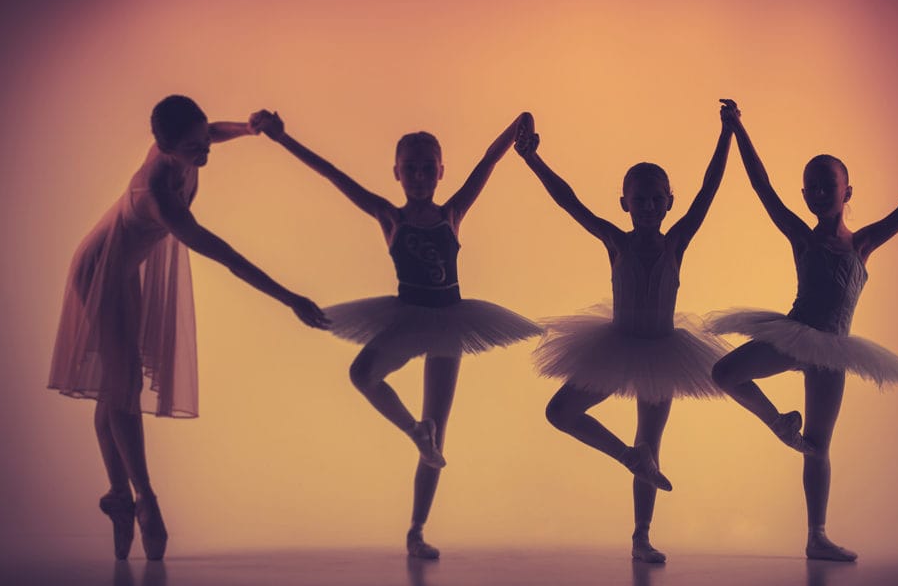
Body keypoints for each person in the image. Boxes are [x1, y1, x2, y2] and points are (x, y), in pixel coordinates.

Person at [708, 99, 898, 561]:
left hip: (834, 350)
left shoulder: (863, 244)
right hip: (795, 334)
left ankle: (816, 536)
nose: (820, 192)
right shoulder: (801, 236)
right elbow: (762, 187)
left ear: (847, 192)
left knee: (819, 446)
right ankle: (779, 423)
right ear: (804, 196)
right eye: (812, 187)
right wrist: (738, 130)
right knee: (724, 373)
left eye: (829, 185)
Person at [49, 95, 329, 560]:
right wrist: (290, 298)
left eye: (204, 139)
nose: (205, 151)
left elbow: (213, 132)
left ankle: (118, 497)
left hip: (125, 267)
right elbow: (229, 259)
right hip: (99, 270)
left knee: (117, 384)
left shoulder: (182, 146)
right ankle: (145, 500)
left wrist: (246, 128)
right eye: (193, 147)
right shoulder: (159, 198)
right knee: (125, 387)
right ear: (165, 147)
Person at [252, 109, 541, 559]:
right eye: (412, 168)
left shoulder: (452, 212)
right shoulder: (388, 216)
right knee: (363, 373)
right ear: (397, 173)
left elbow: (487, 162)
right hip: (407, 317)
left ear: (442, 171)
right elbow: (331, 174)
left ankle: (416, 531)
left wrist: (518, 123)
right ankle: (413, 430)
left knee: (439, 434)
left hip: (449, 320)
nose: (421, 176)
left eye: (430, 168)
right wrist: (282, 139)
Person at [514, 106, 732, 563]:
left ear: (669, 202)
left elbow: (710, 191)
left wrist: (727, 134)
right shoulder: (616, 240)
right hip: (614, 348)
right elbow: (568, 201)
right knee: (561, 412)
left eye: (657, 199)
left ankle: (641, 537)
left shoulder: (677, 241)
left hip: (664, 352)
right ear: (625, 203)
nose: (649, 207)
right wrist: (534, 161)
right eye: (640, 199)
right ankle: (625, 456)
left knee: (651, 445)